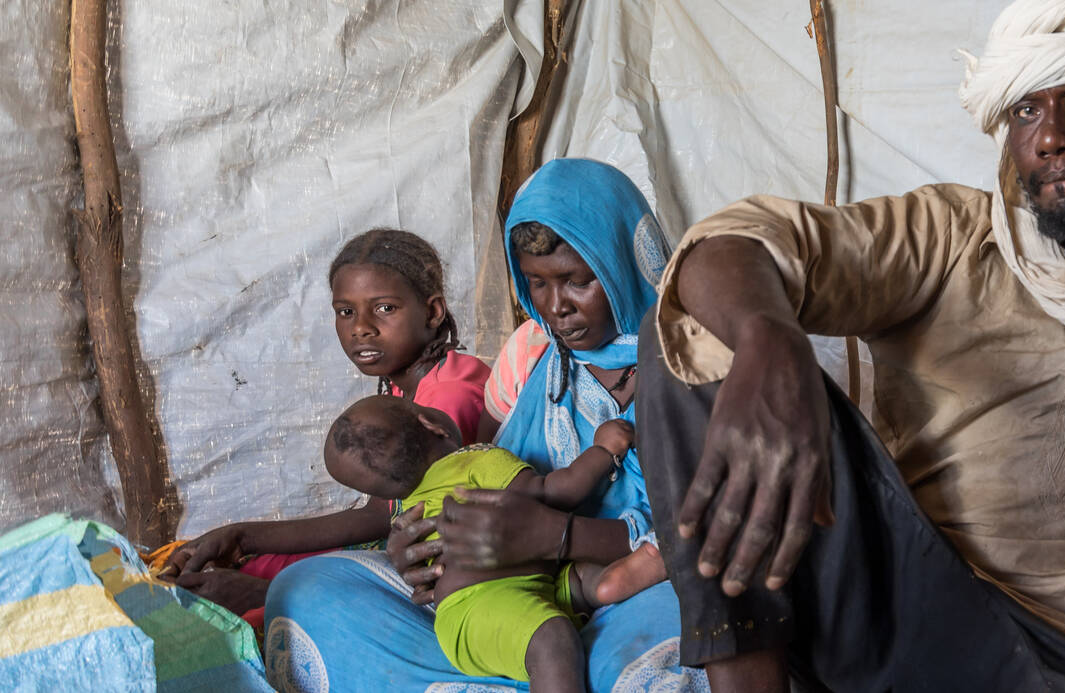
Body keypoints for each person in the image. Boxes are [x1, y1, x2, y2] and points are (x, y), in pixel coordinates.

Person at [628, 1, 1065, 691]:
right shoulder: (951, 236)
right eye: (1027, 108)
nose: (1053, 134)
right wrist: (769, 338)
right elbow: (729, 247)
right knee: (690, 341)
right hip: (913, 604)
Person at [262, 159, 706, 691]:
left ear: (620, 263)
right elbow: (470, 474)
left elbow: (717, 528)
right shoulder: (533, 353)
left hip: (623, 590)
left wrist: (560, 536)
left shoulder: (697, 362)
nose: (556, 306)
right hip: (512, 596)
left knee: (683, 626)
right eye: (537, 284)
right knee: (308, 588)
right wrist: (418, 547)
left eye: (578, 281)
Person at [162, 228, 493, 620]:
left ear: (433, 311)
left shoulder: (447, 399)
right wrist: (239, 537)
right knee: (239, 564)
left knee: (246, 605)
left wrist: (264, 589)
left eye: (385, 308)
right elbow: (381, 513)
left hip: (445, 574)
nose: (361, 327)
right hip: (403, 545)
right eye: (345, 311)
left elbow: (392, 527)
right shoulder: (411, 388)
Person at [314, 395, 631, 691]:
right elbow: (555, 492)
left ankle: (605, 584)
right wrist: (603, 450)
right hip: (487, 602)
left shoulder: (412, 505)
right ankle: (609, 582)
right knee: (552, 639)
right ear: (431, 423)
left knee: (579, 579)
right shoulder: (477, 459)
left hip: (481, 606)